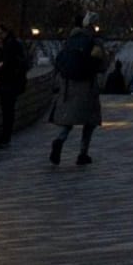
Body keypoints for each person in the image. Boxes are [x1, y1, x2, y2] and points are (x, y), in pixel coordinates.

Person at [47, 24, 109, 168]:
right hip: (87, 87)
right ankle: (83, 154)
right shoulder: (94, 42)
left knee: (68, 121)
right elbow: (102, 66)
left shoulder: (69, 42)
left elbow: (59, 62)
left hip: (68, 87)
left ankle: (59, 140)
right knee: (89, 122)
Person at [0, 25, 30, 148]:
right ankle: (5, 136)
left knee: (8, 110)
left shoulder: (11, 45)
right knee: (7, 109)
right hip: (9, 82)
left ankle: (5, 137)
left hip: (11, 82)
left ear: (5, 33)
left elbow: (8, 65)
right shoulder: (4, 46)